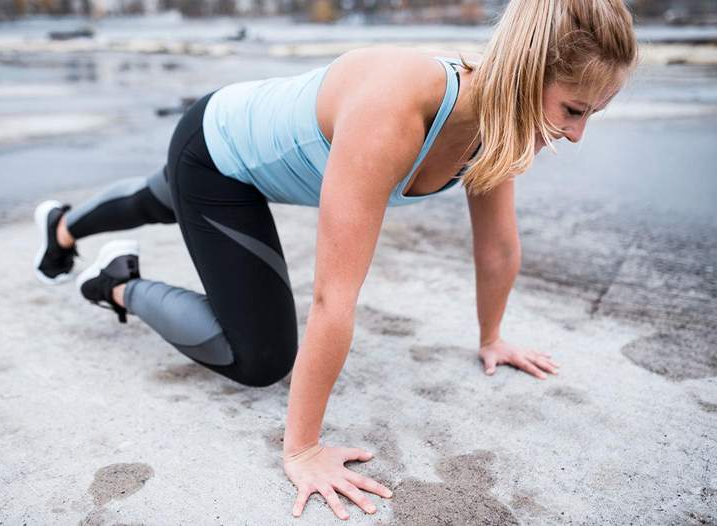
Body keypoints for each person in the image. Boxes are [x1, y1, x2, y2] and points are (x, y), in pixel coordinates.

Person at [32, 0, 638, 519]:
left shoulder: (500, 124)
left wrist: (493, 336)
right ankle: (117, 282)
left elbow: (498, 245)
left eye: (593, 114)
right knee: (260, 356)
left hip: (245, 141)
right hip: (216, 151)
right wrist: (302, 449)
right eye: (573, 111)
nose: (578, 135)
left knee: (162, 196)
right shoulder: (397, 110)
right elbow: (333, 297)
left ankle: (61, 228)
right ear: (528, 73)